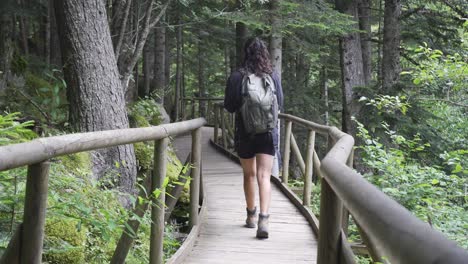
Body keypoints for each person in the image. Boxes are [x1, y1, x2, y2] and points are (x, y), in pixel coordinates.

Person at [224, 37, 283, 239]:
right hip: (267, 132)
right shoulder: (272, 75)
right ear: (264, 53)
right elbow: (280, 103)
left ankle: (251, 216)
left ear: (245, 53)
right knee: (264, 176)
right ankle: (264, 220)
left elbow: (230, 106)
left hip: (245, 132)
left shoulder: (237, 76)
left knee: (249, 174)